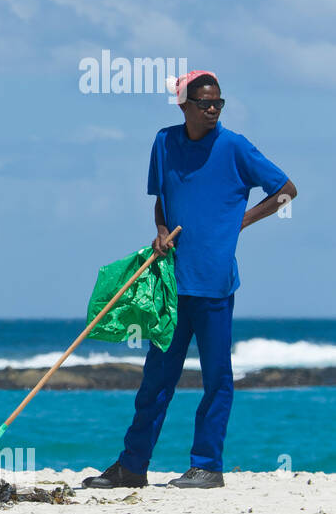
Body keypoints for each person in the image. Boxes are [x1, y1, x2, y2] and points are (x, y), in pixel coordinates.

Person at [85, 72, 297, 490]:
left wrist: (243, 220)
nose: (213, 109)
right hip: (170, 284)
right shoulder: (164, 142)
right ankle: (132, 466)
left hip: (215, 284)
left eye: (218, 102)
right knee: (156, 379)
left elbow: (286, 189)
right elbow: (161, 200)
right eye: (204, 103)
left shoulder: (234, 146)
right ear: (184, 106)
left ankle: (207, 466)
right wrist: (161, 230)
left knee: (217, 378)